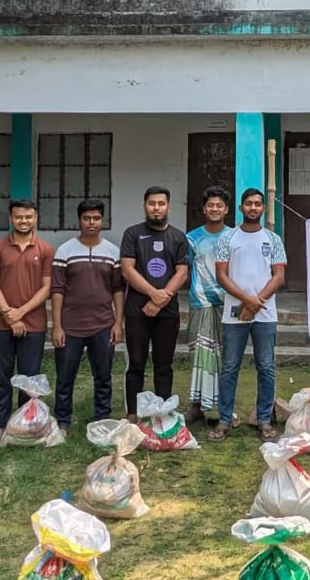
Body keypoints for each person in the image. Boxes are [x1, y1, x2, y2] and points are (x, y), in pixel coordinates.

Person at [210, 188, 287, 442]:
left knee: (266, 367)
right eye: (249, 204)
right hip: (235, 314)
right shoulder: (228, 238)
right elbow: (222, 275)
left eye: (257, 204)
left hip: (265, 314)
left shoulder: (273, 239)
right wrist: (246, 301)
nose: (253, 208)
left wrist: (256, 303)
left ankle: (263, 419)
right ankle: (225, 418)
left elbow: (279, 276)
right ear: (241, 208)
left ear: (264, 208)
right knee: (230, 366)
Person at [0, 199, 54, 441]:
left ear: (35, 218)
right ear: (11, 219)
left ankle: (24, 425)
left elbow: (46, 289)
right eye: (19, 217)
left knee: (29, 377)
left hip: (33, 324)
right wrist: (9, 315)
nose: (24, 221)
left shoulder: (45, 249)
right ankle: (1, 424)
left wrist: (19, 313)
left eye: (28, 217)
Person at [51, 199, 124, 437]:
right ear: (79, 220)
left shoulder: (112, 252)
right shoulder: (65, 250)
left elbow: (117, 290)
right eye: (86, 218)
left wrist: (117, 322)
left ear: (103, 221)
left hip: (103, 324)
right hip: (70, 326)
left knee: (103, 376)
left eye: (96, 218)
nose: (91, 223)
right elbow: (57, 290)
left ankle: (102, 420)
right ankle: (62, 421)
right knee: (65, 377)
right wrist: (57, 326)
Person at [119, 186, 190, 417]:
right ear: (144, 206)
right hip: (137, 310)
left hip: (167, 311)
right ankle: (132, 414)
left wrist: (161, 299)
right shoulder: (132, 234)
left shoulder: (178, 236)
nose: (156, 208)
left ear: (168, 206)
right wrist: (152, 293)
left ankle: (163, 413)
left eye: (161, 203)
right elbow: (128, 270)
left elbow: (182, 272)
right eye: (152, 203)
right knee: (136, 363)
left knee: (163, 364)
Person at [186, 186, 232, 424]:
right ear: (204, 209)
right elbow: (183, 269)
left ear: (226, 209)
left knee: (226, 357)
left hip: (228, 302)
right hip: (201, 302)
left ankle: (226, 409)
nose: (215, 209)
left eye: (219, 205)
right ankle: (197, 406)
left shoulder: (233, 237)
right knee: (200, 354)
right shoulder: (192, 238)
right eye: (210, 205)